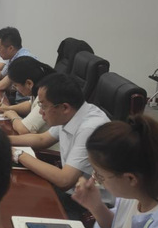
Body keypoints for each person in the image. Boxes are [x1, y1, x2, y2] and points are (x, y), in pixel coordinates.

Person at [9, 73, 110, 203]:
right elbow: (42, 139)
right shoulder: (72, 113)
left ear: (64, 107)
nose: (40, 112)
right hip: (72, 191)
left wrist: (17, 154)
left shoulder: (90, 129)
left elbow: (65, 180)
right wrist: (3, 139)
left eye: (43, 106)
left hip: (86, 204)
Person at [0, 56, 55, 134]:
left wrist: (13, 116)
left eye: (16, 85)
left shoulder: (46, 95)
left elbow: (23, 130)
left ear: (29, 83)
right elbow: (31, 105)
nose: (15, 88)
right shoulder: (38, 87)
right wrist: (8, 108)